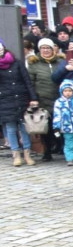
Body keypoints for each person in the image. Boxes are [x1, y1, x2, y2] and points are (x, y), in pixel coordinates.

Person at [0, 37, 37, 166]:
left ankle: (27, 153)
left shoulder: (17, 63)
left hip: (21, 98)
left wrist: (33, 98)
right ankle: (15, 154)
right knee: (10, 128)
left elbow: (27, 81)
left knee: (24, 127)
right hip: (5, 100)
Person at [27, 37, 63, 161]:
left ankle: (61, 148)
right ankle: (47, 151)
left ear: (53, 49)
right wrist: (33, 98)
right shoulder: (34, 64)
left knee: (59, 126)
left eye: (48, 48)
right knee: (45, 128)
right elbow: (30, 83)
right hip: (42, 100)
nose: (46, 50)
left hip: (59, 99)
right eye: (43, 48)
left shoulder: (60, 62)